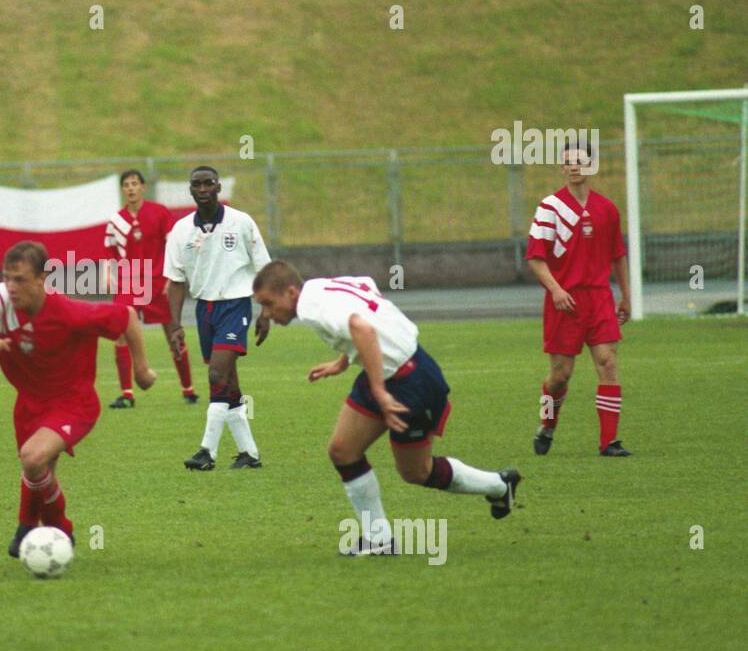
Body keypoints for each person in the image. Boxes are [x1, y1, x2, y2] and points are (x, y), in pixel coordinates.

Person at [252, 260, 523, 555]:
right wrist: (342, 361)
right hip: (382, 371)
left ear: (291, 292)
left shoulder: (310, 307)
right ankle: (378, 538)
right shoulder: (316, 287)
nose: (266, 313)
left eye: (268, 303)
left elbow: (362, 328)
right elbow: (366, 293)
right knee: (343, 450)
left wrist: (380, 390)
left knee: (416, 472)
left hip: (412, 380)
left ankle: (499, 485)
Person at [0, 241, 156, 558]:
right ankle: (29, 529)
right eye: (7, 277)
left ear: (43, 278)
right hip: (29, 405)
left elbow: (126, 316)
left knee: (33, 458)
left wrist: (141, 370)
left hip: (74, 403)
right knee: (40, 470)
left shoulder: (68, 313)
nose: (11, 286)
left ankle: (59, 528)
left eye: (20, 279)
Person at [526, 142, 632, 457]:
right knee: (560, 376)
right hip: (564, 303)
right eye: (568, 162)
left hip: (599, 298)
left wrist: (625, 295)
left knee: (608, 363)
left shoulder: (607, 209)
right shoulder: (549, 208)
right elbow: (535, 258)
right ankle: (547, 423)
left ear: (591, 166)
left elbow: (618, 255)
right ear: (562, 168)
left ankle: (609, 442)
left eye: (580, 161)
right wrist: (556, 290)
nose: (574, 167)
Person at [165, 165, 270, 471]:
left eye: (208, 183)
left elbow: (264, 268)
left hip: (235, 305)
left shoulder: (241, 222)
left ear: (218, 187)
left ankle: (207, 452)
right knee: (229, 383)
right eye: (196, 184)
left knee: (215, 375)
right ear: (190, 190)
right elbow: (176, 280)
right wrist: (174, 325)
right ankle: (249, 453)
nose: (202, 189)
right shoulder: (181, 230)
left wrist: (265, 311)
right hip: (204, 310)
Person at [104, 169, 197, 408]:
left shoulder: (159, 212)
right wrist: (108, 273)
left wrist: (172, 277)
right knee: (121, 333)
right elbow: (109, 252)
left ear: (143, 187)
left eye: (135, 183)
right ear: (123, 190)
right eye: (126, 185)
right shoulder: (116, 220)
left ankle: (188, 389)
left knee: (173, 333)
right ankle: (127, 394)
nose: (131, 188)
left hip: (158, 282)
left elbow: (174, 245)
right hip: (129, 282)